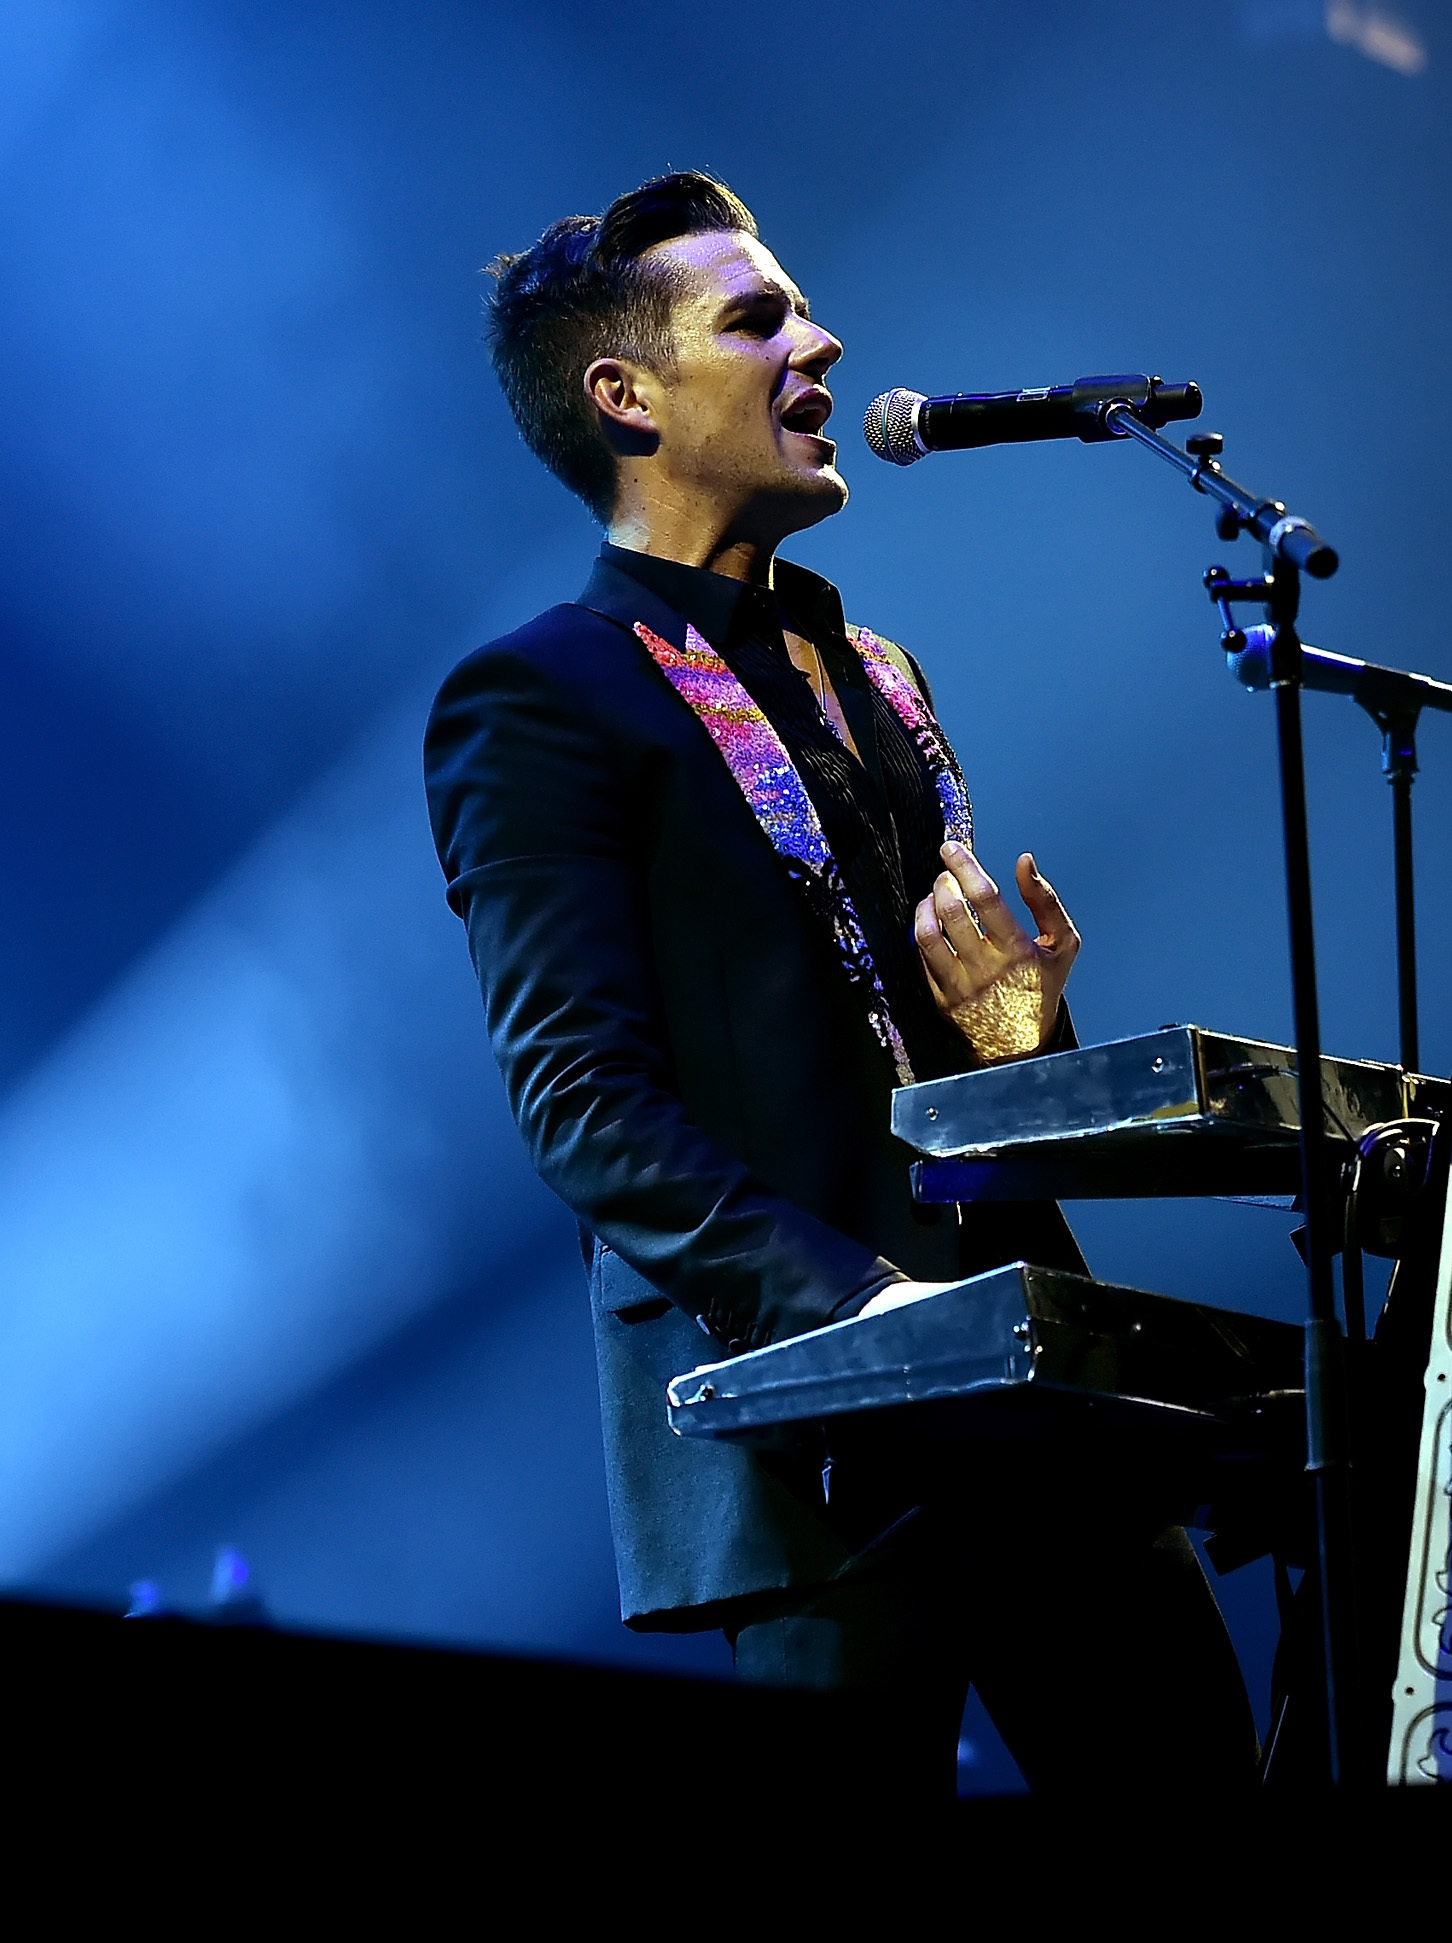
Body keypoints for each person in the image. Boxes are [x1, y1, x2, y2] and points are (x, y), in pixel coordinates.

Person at [425, 171, 1251, 1791]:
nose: (822, 342)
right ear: (624, 395)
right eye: (758, 319)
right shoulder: (537, 699)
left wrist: (1029, 1040)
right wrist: (866, 1312)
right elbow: (584, 1109)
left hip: (1040, 1410)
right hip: (821, 1443)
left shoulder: (878, 675)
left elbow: (937, 1070)